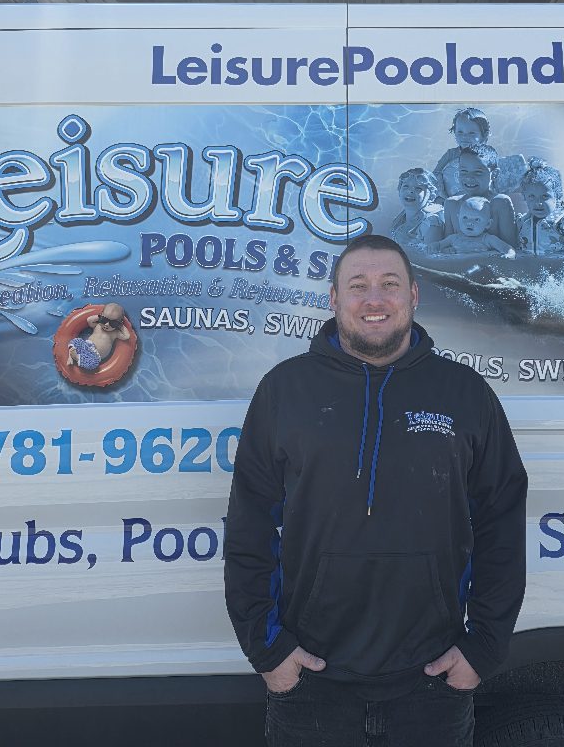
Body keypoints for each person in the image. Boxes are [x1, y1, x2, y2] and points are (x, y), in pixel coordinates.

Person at [224, 234, 528, 747]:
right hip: (310, 681)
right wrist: (268, 649)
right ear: (333, 299)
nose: (374, 299)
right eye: (357, 285)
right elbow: (250, 525)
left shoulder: (464, 393)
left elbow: (502, 520)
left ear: (412, 296)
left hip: (432, 680)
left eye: (389, 284)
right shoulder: (284, 390)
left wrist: (483, 649)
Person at [443, 144, 517, 247]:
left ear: (494, 174)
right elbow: (445, 246)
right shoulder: (451, 204)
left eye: (478, 172)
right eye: (464, 171)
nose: (469, 178)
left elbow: (511, 249)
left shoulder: (500, 203)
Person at [515, 158, 564, 257]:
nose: (538, 203)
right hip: (531, 267)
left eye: (544, 196)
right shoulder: (524, 221)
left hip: (558, 267)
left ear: (557, 196)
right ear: (525, 197)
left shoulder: (562, 220)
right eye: (532, 197)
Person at [433, 107, 491, 199]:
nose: (464, 137)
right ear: (454, 131)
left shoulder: (487, 156)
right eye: (460, 132)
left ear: (484, 135)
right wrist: (442, 192)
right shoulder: (451, 154)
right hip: (449, 198)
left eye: (471, 133)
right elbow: (436, 173)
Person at [430, 196, 515, 258]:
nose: (469, 223)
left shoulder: (488, 239)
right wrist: (435, 248)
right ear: (458, 218)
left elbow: (506, 248)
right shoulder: (453, 238)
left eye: (477, 219)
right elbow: (438, 245)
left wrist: (509, 254)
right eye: (465, 218)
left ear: (488, 224)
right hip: (457, 269)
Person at [390, 167, 444, 250]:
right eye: (406, 186)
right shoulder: (402, 216)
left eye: (418, 188)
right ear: (399, 190)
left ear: (432, 195)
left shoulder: (432, 224)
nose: (410, 191)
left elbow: (430, 258)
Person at [67, 302, 130, 370]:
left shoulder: (115, 333)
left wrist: (120, 325)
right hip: (86, 345)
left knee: (93, 364)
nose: (107, 324)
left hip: (95, 355)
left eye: (113, 323)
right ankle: (71, 356)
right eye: (104, 320)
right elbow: (89, 320)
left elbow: (127, 336)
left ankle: (76, 357)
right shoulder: (97, 325)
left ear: (118, 324)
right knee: (76, 341)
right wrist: (100, 317)